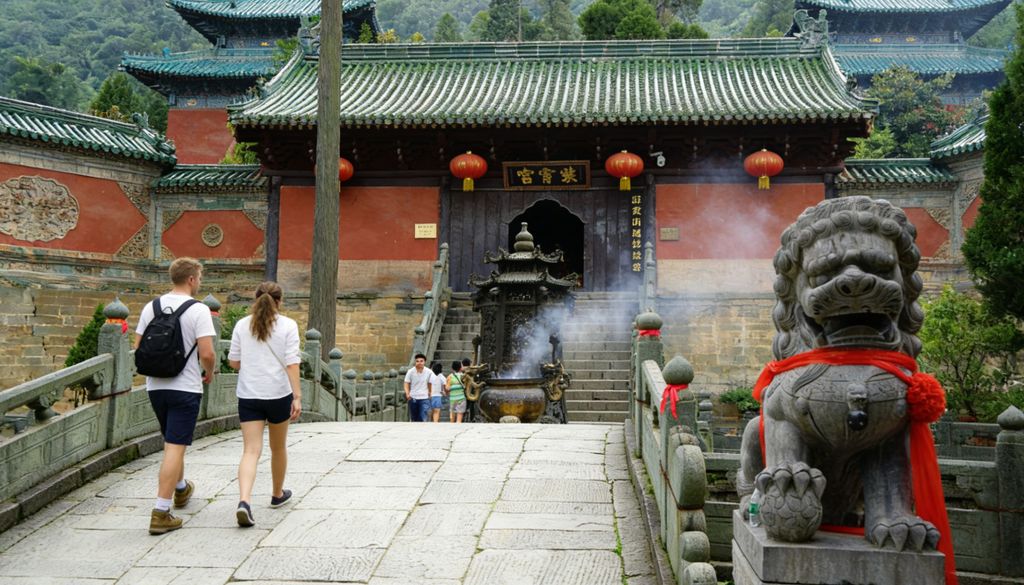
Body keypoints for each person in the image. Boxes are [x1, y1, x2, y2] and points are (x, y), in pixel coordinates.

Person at [135, 257, 217, 535]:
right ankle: (160, 512)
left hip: (155, 387)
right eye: (200, 278)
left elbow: (137, 346)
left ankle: (181, 489)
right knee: (174, 447)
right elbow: (206, 353)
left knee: (172, 441)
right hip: (184, 387)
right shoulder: (199, 310)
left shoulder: (151, 306)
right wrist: (210, 372)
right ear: (192, 279)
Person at [227, 282, 302, 527]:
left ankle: (244, 501)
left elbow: (233, 362)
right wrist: (297, 397)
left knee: (250, 450)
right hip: (278, 395)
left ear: (255, 298)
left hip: (249, 395)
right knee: (278, 448)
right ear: (279, 301)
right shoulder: (288, 325)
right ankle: (277, 494)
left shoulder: (242, 325)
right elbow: (292, 364)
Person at [404, 354, 432, 422]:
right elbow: (406, 383)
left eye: (421, 361)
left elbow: (430, 383)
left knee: (423, 416)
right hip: (413, 397)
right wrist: (407, 393)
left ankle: (422, 430)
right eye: (417, 361)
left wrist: (430, 392)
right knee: (414, 418)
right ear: (415, 362)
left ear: (424, 362)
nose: (419, 363)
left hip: (424, 398)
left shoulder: (429, 372)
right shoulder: (410, 372)